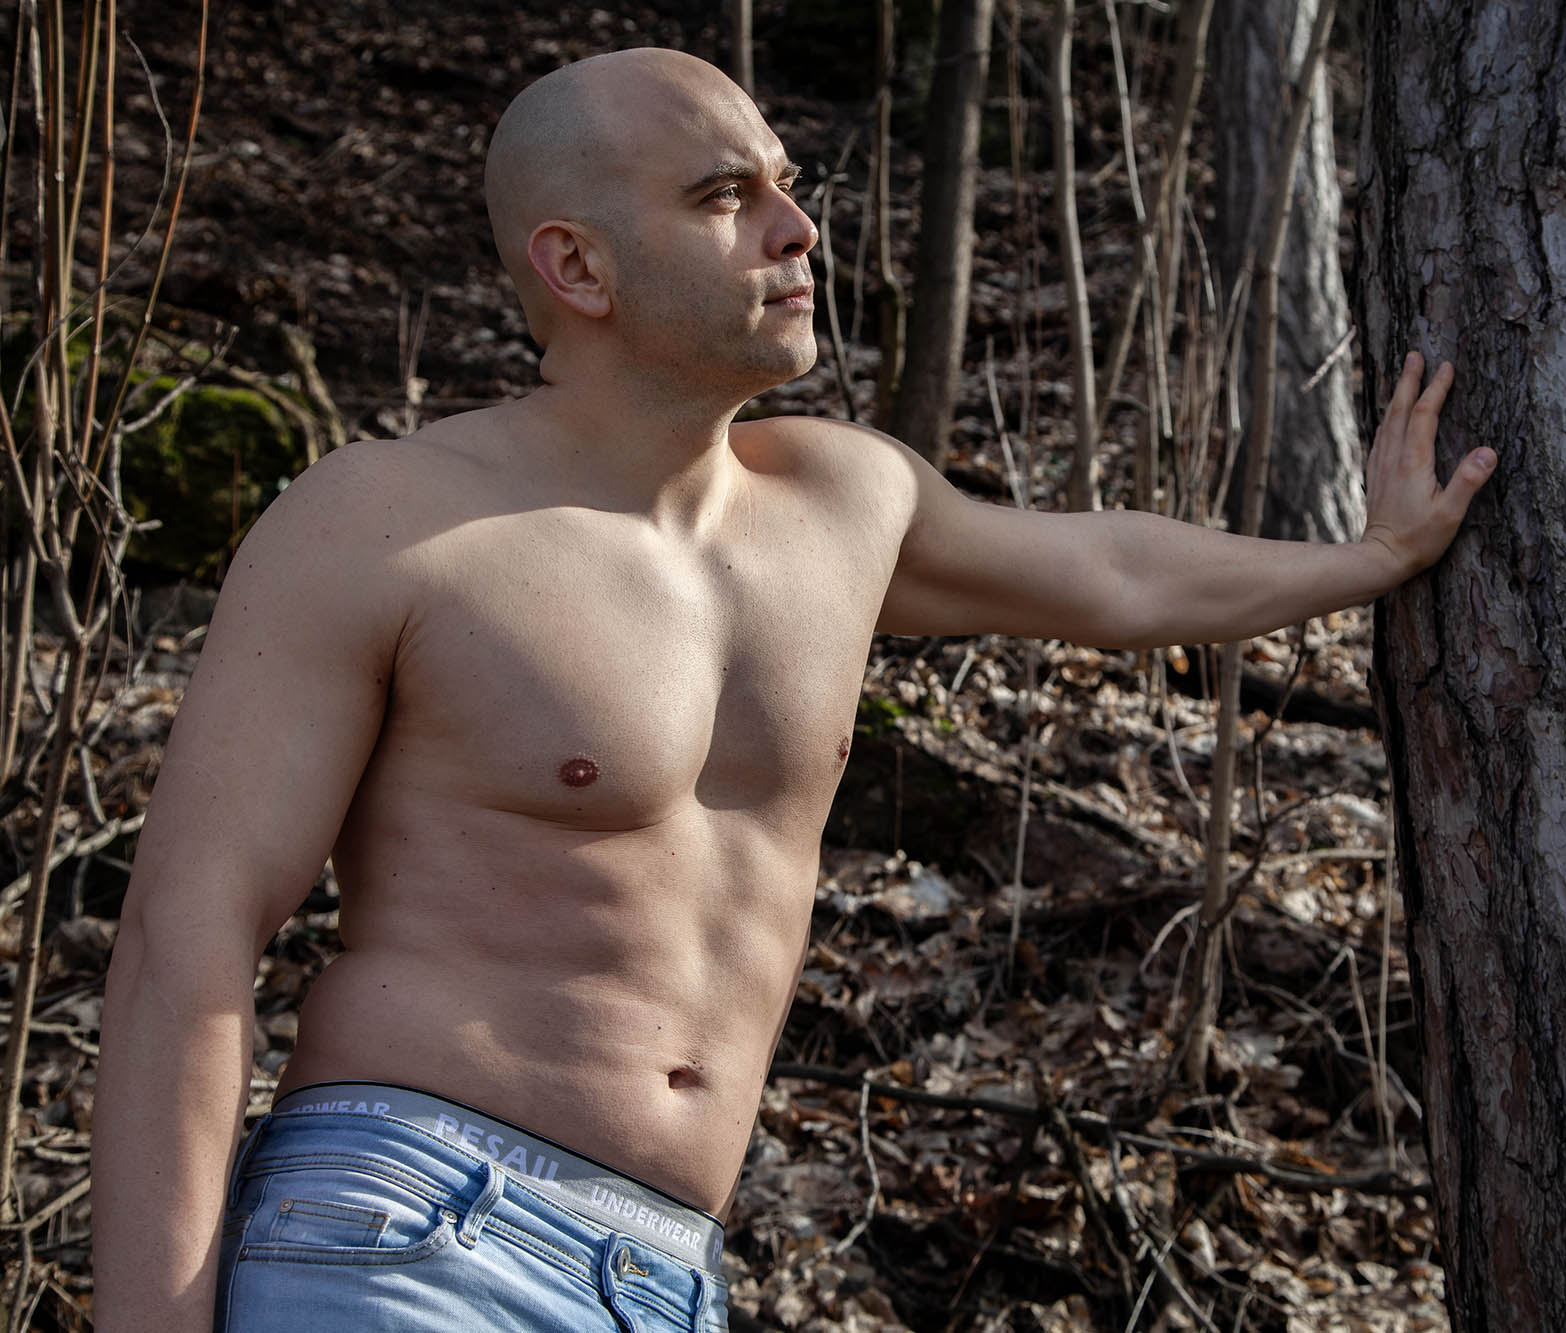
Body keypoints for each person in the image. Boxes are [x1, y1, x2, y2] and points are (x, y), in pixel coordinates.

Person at [90, 46, 1495, 1333]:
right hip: (412, 1229)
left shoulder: (840, 500)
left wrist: (1369, 557)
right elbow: (189, 938)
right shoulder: (380, 523)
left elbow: (1115, 575)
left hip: (668, 1269)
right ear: (578, 265)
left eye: (787, 183)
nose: (797, 228)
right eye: (725, 195)